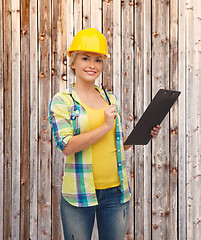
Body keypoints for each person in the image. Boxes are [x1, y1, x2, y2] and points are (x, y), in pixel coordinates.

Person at [48, 28, 161, 240]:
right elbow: (66, 146)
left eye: (98, 60)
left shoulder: (110, 99)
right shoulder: (62, 100)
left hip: (116, 193)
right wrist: (104, 127)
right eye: (85, 58)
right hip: (79, 195)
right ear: (72, 63)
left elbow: (115, 145)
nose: (92, 65)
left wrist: (143, 134)